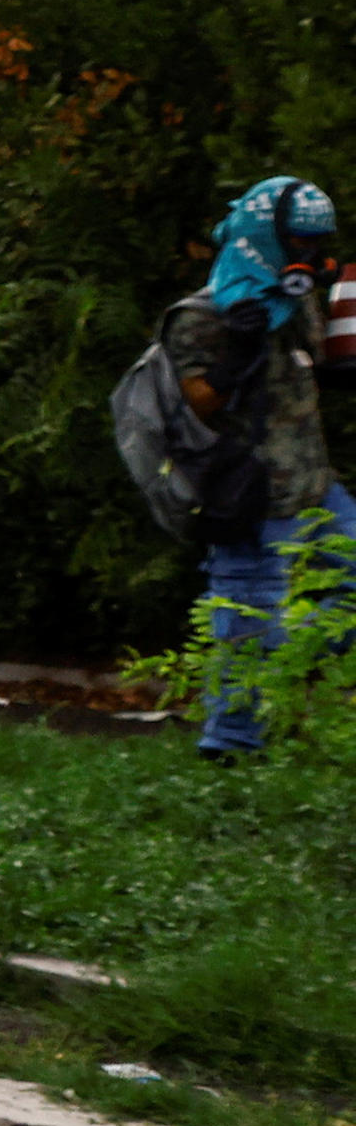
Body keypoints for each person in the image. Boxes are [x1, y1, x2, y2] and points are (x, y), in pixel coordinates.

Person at [166, 177, 347, 761]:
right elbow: (194, 403)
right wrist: (233, 359)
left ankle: (284, 667)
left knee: (316, 601)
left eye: (318, 244)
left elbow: (313, 367)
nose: (310, 255)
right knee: (247, 615)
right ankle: (231, 749)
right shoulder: (202, 314)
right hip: (247, 493)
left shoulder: (295, 302)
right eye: (299, 240)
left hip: (313, 485)